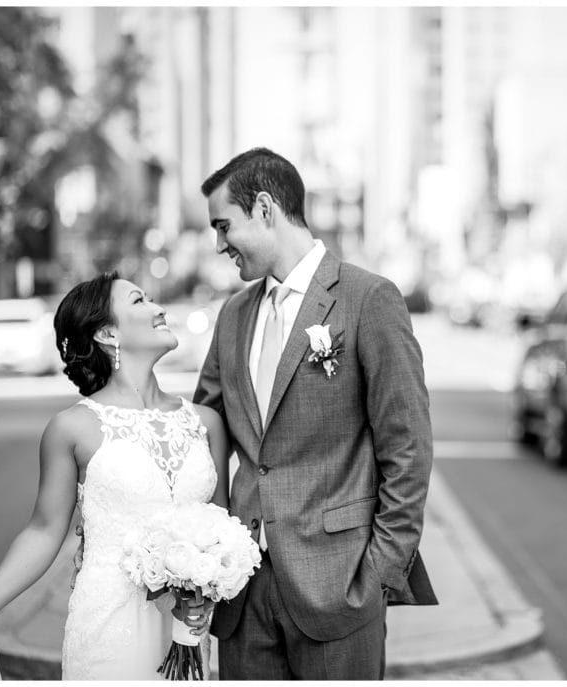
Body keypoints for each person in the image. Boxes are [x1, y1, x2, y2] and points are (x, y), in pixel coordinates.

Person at [195, 147, 437, 680]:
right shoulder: (232, 316)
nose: (218, 245)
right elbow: (201, 434)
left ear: (263, 209)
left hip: (340, 587)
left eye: (223, 226)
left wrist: (376, 575)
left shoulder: (368, 299)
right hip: (243, 593)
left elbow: (409, 448)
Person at [0, 273, 231, 680]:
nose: (159, 308)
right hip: (109, 628)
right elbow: (43, 531)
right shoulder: (72, 429)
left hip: (190, 631)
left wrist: (206, 592)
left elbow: (222, 529)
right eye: (140, 301)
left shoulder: (206, 423)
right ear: (108, 332)